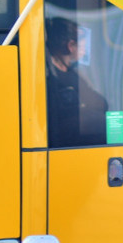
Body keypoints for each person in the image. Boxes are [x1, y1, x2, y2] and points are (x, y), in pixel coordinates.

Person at [45, 17, 107, 147]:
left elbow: (100, 103)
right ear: (71, 46)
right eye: (83, 45)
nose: (85, 50)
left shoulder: (71, 72)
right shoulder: (51, 76)